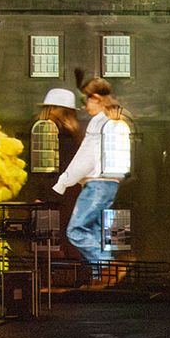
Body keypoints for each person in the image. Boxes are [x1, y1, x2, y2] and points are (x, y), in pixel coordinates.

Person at [52, 74, 129, 284]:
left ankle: (107, 268)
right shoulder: (116, 120)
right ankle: (101, 278)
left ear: (95, 97)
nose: (85, 107)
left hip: (97, 183)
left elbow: (85, 157)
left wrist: (64, 182)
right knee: (93, 230)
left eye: (86, 100)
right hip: (110, 182)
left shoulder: (99, 122)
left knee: (75, 230)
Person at [35, 87, 82, 259]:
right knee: (67, 239)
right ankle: (75, 276)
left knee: (46, 242)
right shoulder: (74, 136)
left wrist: (40, 195)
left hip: (53, 194)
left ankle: (53, 277)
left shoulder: (47, 131)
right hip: (72, 194)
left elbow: (46, 171)